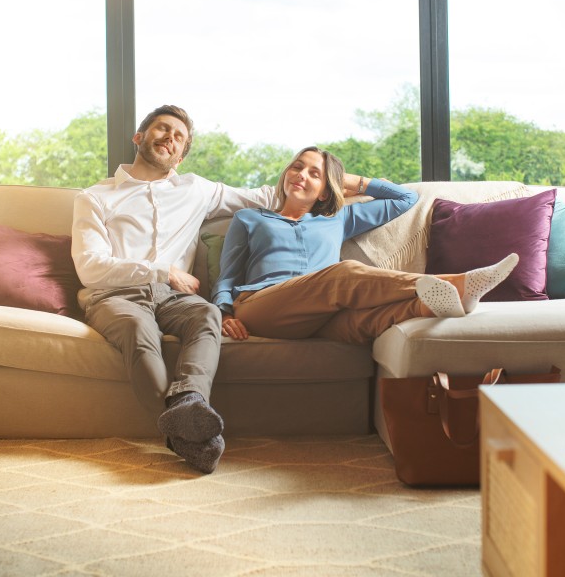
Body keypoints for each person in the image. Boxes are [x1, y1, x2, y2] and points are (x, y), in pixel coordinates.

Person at [71, 105, 276, 474]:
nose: (169, 137)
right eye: (162, 129)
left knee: (208, 313)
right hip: (114, 295)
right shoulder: (95, 197)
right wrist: (162, 271)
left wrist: (342, 184)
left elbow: (264, 198)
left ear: (180, 156)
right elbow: (90, 267)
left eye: (178, 136)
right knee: (138, 329)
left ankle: (189, 400)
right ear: (139, 137)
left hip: (175, 299)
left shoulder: (196, 190)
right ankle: (189, 434)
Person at [213, 146, 519, 345]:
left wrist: (353, 181)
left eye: (313, 173)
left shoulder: (339, 218)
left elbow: (404, 199)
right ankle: (458, 283)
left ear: (324, 191)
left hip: (321, 315)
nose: (300, 174)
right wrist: (224, 313)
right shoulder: (249, 219)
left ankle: (444, 302)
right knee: (341, 274)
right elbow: (228, 275)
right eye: (296, 167)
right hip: (262, 306)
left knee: (372, 320)